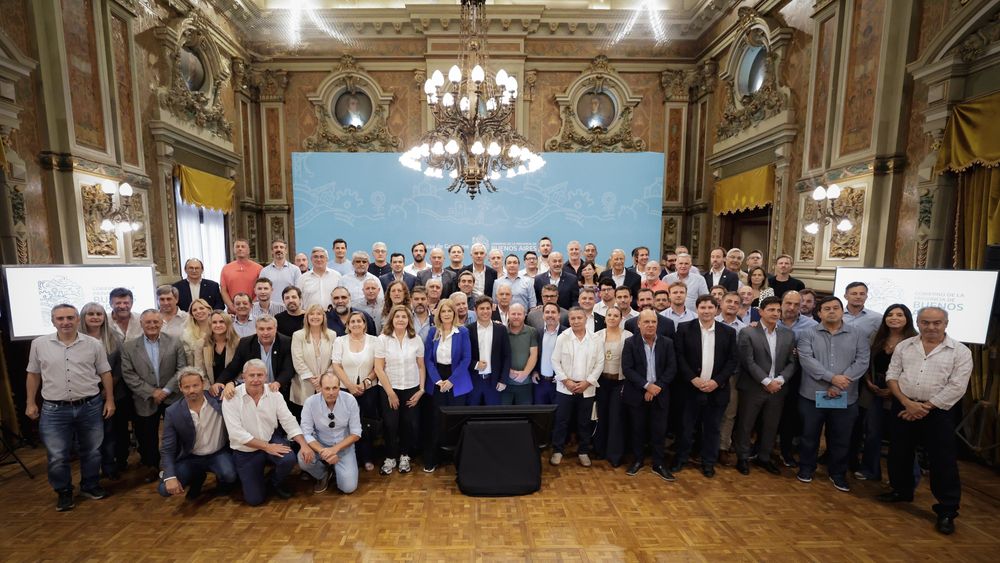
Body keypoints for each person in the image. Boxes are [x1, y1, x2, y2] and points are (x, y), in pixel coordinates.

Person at [881, 307, 973, 535]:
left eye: (936, 323)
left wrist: (925, 407)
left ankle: (947, 510)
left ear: (946, 323)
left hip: (938, 411)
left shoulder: (960, 352)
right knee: (899, 452)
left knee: (942, 460)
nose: (931, 327)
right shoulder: (905, 346)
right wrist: (906, 402)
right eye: (926, 322)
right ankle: (901, 490)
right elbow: (892, 376)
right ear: (919, 323)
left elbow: (957, 386)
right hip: (904, 406)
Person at [26, 304, 115, 511]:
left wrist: (109, 400)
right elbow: (33, 374)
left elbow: (105, 373)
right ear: (53, 321)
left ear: (77, 319)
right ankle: (64, 491)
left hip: (90, 405)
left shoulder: (93, 344)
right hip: (54, 409)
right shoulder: (39, 344)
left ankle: (90, 485)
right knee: (57, 455)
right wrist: (30, 402)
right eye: (60, 318)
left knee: (92, 451)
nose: (65, 322)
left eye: (69, 318)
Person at [796, 296, 870, 492]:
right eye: (826, 308)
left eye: (835, 308)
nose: (831, 311)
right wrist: (832, 378)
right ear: (819, 313)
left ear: (841, 311)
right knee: (809, 436)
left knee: (841, 438)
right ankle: (806, 468)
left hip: (845, 396)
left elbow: (862, 361)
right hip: (813, 395)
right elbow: (807, 360)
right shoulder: (806, 334)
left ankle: (837, 473)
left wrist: (839, 383)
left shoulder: (858, 334)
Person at [222, 359, 311, 506]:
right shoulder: (231, 397)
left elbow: (288, 420)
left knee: (288, 459)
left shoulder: (274, 394)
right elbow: (236, 434)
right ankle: (256, 480)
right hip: (246, 449)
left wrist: (303, 444)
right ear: (243, 377)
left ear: (266, 376)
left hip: (270, 438)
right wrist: (267, 447)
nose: (256, 379)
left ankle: (274, 482)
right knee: (254, 500)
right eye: (251, 375)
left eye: (260, 375)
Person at [671, 296, 738, 478]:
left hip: (717, 390)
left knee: (712, 428)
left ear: (717, 310)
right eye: (703, 307)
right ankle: (681, 459)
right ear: (697, 309)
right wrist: (692, 378)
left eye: (710, 307)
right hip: (690, 389)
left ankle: (708, 462)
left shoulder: (728, 332)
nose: (706, 311)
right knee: (685, 428)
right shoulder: (685, 329)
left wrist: (716, 381)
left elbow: (732, 361)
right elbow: (679, 356)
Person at [121, 309, 188, 482]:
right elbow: (128, 374)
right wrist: (152, 392)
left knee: (177, 432)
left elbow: (182, 369)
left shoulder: (174, 342)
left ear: (161, 323)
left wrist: (166, 390)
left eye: (156, 322)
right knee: (147, 436)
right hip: (144, 399)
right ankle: (151, 466)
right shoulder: (129, 347)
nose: (152, 325)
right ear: (141, 324)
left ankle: (178, 465)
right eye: (148, 322)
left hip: (172, 396)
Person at [734, 296, 798, 476]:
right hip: (753, 387)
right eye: (771, 310)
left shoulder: (788, 334)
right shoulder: (748, 332)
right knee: (746, 424)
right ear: (761, 311)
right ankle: (743, 457)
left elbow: (792, 362)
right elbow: (748, 361)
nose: (775, 313)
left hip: (778, 388)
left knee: (771, 425)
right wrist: (766, 381)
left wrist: (780, 380)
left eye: (778, 310)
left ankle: (764, 457)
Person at [856, 304, 917, 482]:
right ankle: (870, 470)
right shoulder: (878, 337)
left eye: (900, 314)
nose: (894, 318)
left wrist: (893, 390)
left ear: (907, 318)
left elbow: (914, 370)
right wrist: (868, 381)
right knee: (872, 432)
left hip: (901, 391)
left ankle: (903, 476)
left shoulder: (914, 340)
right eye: (890, 314)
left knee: (901, 436)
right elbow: (867, 361)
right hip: (874, 389)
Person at [158, 368, 236, 500]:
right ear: (180, 388)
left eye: (195, 385)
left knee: (230, 475)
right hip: (191, 457)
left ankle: (221, 483)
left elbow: (247, 384)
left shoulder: (218, 398)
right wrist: (170, 476)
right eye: (186, 387)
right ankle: (197, 478)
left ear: (203, 383)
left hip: (218, 453)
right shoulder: (173, 412)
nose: (191, 390)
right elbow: (167, 448)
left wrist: (231, 383)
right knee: (164, 489)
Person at [621, 309, 676, 482]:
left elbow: (671, 368)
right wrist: (646, 386)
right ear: (638, 324)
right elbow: (627, 369)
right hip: (637, 394)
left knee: (659, 431)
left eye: (653, 322)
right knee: (637, 430)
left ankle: (658, 464)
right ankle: (638, 460)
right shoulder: (630, 343)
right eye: (646, 322)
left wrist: (657, 387)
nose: (650, 325)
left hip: (660, 394)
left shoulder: (667, 343)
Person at [422, 300, 473, 471]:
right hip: (436, 380)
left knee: (456, 421)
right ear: (439, 314)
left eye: (449, 311)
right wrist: (437, 381)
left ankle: (458, 459)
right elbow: (428, 359)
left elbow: (466, 359)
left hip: (457, 380)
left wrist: (451, 380)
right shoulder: (432, 332)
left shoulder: (463, 332)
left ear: (454, 313)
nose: (446, 314)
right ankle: (435, 458)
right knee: (436, 421)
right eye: (443, 311)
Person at [374, 305, 425, 475]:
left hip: (411, 387)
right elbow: (379, 368)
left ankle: (404, 456)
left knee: (408, 424)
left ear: (408, 320)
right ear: (392, 320)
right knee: (390, 425)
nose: (401, 319)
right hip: (389, 389)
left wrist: (421, 389)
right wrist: (390, 393)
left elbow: (421, 366)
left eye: (404, 317)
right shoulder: (383, 339)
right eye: (397, 317)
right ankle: (390, 457)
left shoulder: (416, 339)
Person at [79, 302, 127, 479]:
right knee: (91, 437)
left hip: (113, 391)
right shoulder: (76, 339)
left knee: (111, 433)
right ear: (83, 318)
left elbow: (120, 366)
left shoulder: (114, 337)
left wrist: (108, 390)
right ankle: (92, 472)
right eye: (90, 314)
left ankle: (111, 466)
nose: (95, 317)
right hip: (86, 393)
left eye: (99, 314)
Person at [549, 307, 602, 467]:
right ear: (569, 320)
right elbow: (555, 361)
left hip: (587, 387)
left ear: (586, 319)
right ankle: (558, 451)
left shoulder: (595, 339)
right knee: (561, 421)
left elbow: (600, 363)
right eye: (573, 318)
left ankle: (583, 451)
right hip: (566, 387)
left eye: (579, 318)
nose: (576, 321)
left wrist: (588, 382)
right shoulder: (562, 337)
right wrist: (566, 381)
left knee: (584, 422)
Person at [330, 311, 381, 472]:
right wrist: (349, 385)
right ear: (348, 325)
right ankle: (350, 458)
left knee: (366, 425)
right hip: (345, 390)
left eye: (360, 321)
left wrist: (366, 382)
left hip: (369, 390)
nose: (356, 324)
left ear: (365, 324)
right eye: (353, 321)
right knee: (347, 425)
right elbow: (336, 365)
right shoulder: (340, 341)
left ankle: (367, 457)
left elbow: (379, 365)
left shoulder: (375, 341)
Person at [298, 373, 362, 494]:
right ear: (320, 388)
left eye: (335, 388)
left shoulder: (350, 400)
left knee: (348, 488)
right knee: (303, 459)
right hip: (319, 445)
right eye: (327, 388)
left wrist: (334, 450)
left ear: (339, 387)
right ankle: (323, 474)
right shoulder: (310, 402)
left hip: (343, 447)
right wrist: (323, 451)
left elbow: (356, 433)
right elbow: (306, 432)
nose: (331, 392)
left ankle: (337, 468)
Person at [775, 290, 818, 467]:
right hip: (770, 373)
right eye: (788, 303)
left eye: (796, 304)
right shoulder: (771, 319)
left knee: (790, 416)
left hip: (798, 376)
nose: (791, 308)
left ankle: (786, 450)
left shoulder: (811, 325)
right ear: (781, 303)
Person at [215, 315, 295, 405]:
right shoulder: (245, 343)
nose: (265, 332)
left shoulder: (286, 342)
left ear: (275, 329)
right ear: (256, 329)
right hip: (253, 389)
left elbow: (288, 369)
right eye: (261, 329)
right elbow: (234, 367)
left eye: (269, 329)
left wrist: (277, 383)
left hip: (278, 390)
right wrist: (220, 381)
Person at [593, 305, 630, 466]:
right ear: (605, 318)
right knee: (602, 416)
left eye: (616, 315)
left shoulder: (628, 336)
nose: (613, 318)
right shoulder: (596, 336)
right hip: (601, 382)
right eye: (610, 315)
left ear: (621, 319)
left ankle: (614, 455)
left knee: (616, 418)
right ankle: (600, 450)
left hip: (619, 382)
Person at [715, 291, 748, 462]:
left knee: (729, 413)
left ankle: (723, 446)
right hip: (711, 376)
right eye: (729, 301)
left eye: (736, 302)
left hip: (733, 377)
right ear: (721, 303)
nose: (732, 304)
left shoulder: (744, 330)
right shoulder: (711, 323)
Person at [290, 304, 337, 415]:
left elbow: (335, 360)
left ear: (323, 317)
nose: (315, 317)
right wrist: (314, 380)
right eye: (311, 314)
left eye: (318, 314)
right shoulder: (298, 335)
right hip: (304, 385)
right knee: (305, 419)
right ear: (306, 317)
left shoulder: (332, 335)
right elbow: (298, 360)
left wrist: (323, 378)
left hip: (327, 384)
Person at [468, 297, 511, 406]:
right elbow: (464, 356)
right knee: (472, 415)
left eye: (488, 308)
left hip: (494, 381)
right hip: (474, 380)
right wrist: (475, 364)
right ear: (475, 310)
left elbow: (507, 356)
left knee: (493, 416)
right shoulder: (468, 330)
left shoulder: (501, 329)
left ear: (492, 309)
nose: (485, 311)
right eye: (482, 308)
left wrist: (503, 380)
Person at [502, 303, 538, 405]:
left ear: (524, 315)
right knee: (503, 415)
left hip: (525, 383)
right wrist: (508, 371)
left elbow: (533, 355)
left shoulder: (532, 331)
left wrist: (525, 373)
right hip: (505, 383)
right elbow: (498, 355)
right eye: (513, 314)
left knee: (525, 415)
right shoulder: (502, 331)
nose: (516, 317)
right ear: (508, 314)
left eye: (519, 314)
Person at [195, 311, 240, 388]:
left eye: (222, 322)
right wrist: (209, 388)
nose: (218, 325)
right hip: (210, 389)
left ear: (228, 324)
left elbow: (240, 371)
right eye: (214, 322)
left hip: (233, 387)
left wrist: (232, 384)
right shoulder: (201, 344)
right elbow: (200, 372)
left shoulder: (238, 343)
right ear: (210, 325)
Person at [532, 303, 565, 405]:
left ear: (559, 315)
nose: (550, 315)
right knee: (540, 416)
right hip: (540, 383)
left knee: (558, 416)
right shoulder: (537, 332)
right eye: (547, 312)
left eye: (553, 312)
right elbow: (534, 355)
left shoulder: (567, 333)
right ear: (543, 315)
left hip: (559, 383)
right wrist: (534, 371)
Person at [220, 238, 263, 312]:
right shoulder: (226, 268)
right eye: (237, 246)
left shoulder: (259, 268)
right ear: (234, 250)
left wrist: (251, 306)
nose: (240, 248)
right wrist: (232, 306)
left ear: (248, 250)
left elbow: (262, 289)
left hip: (254, 310)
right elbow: (223, 291)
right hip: (232, 311)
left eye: (243, 246)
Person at [181, 299, 213, 367]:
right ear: (192, 315)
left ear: (209, 310)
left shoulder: (217, 328)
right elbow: (189, 361)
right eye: (194, 310)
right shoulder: (187, 335)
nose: (198, 311)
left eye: (201, 308)